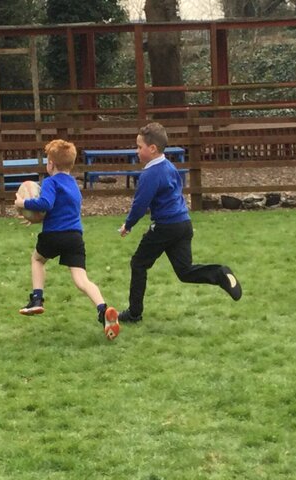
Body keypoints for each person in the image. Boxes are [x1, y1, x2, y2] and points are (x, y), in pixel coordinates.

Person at [117, 122, 242, 323]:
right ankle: (219, 273)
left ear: (152, 149)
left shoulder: (150, 174)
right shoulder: (170, 167)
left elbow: (140, 205)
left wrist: (128, 225)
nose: (136, 151)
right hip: (183, 224)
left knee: (138, 263)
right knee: (184, 271)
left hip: (165, 227)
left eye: (139, 147)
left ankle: (134, 313)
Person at [15, 139, 120, 340]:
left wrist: (23, 203)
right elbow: (59, 210)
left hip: (54, 235)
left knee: (37, 259)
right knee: (81, 280)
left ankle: (37, 299)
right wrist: (36, 219)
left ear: (51, 164)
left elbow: (46, 203)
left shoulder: (50, 182)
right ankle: (103, 310)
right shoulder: (73, 184)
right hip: (74, 236)